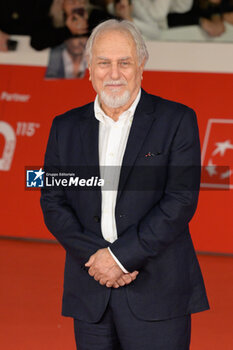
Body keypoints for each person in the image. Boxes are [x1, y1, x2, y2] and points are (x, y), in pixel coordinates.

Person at [40, 19, 210, 350]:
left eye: (124, 62)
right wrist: (97, 260)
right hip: (91, 293)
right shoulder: (65, 127)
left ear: (141, 65)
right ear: (89, 68)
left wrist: (119, 258)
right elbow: (53, 200)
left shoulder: (177, 120)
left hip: (158, 294)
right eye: (103, 62)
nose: (113, 73)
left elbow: (180, 199)